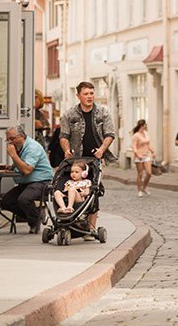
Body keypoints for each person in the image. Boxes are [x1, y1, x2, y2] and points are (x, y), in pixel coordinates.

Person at [59, 81, 116, 238]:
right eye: (86, 94)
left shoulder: (103, 112)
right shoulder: (69, 114)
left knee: (93, 191)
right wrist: (66, 150)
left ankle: (90, 227)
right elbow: (63, 136)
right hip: (76, 160)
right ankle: (73, 219)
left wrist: (102, 150)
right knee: (71, 188)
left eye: (92, 93)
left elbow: (110, 134)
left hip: (94, 160)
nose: (89, 96)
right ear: (78, 96)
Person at [2, 125, 54, 234]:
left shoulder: (32, 147)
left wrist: (13, 155)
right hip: (25, 183)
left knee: (24, 199)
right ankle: (36, 215)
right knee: (6, 201)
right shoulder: (20, 146)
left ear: (21, 136)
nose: (9, 142)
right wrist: (11, 167)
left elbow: (26, 170)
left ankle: (34, 221)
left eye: (12, 139)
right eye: (8, 139)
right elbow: (22, 163)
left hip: (41, 181)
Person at [132, 120, 153, 197]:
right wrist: (137, 154)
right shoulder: (136, 135)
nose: (146, 126)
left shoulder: (146, 134)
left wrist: (152, 150)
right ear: (142, 125)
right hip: (139, 156)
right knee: (140, 174)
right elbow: (134, 146)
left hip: (146, 155)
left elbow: (147, 144)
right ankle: (139, 190)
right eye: (145, 125)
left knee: (149, 173)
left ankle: (144, 187)